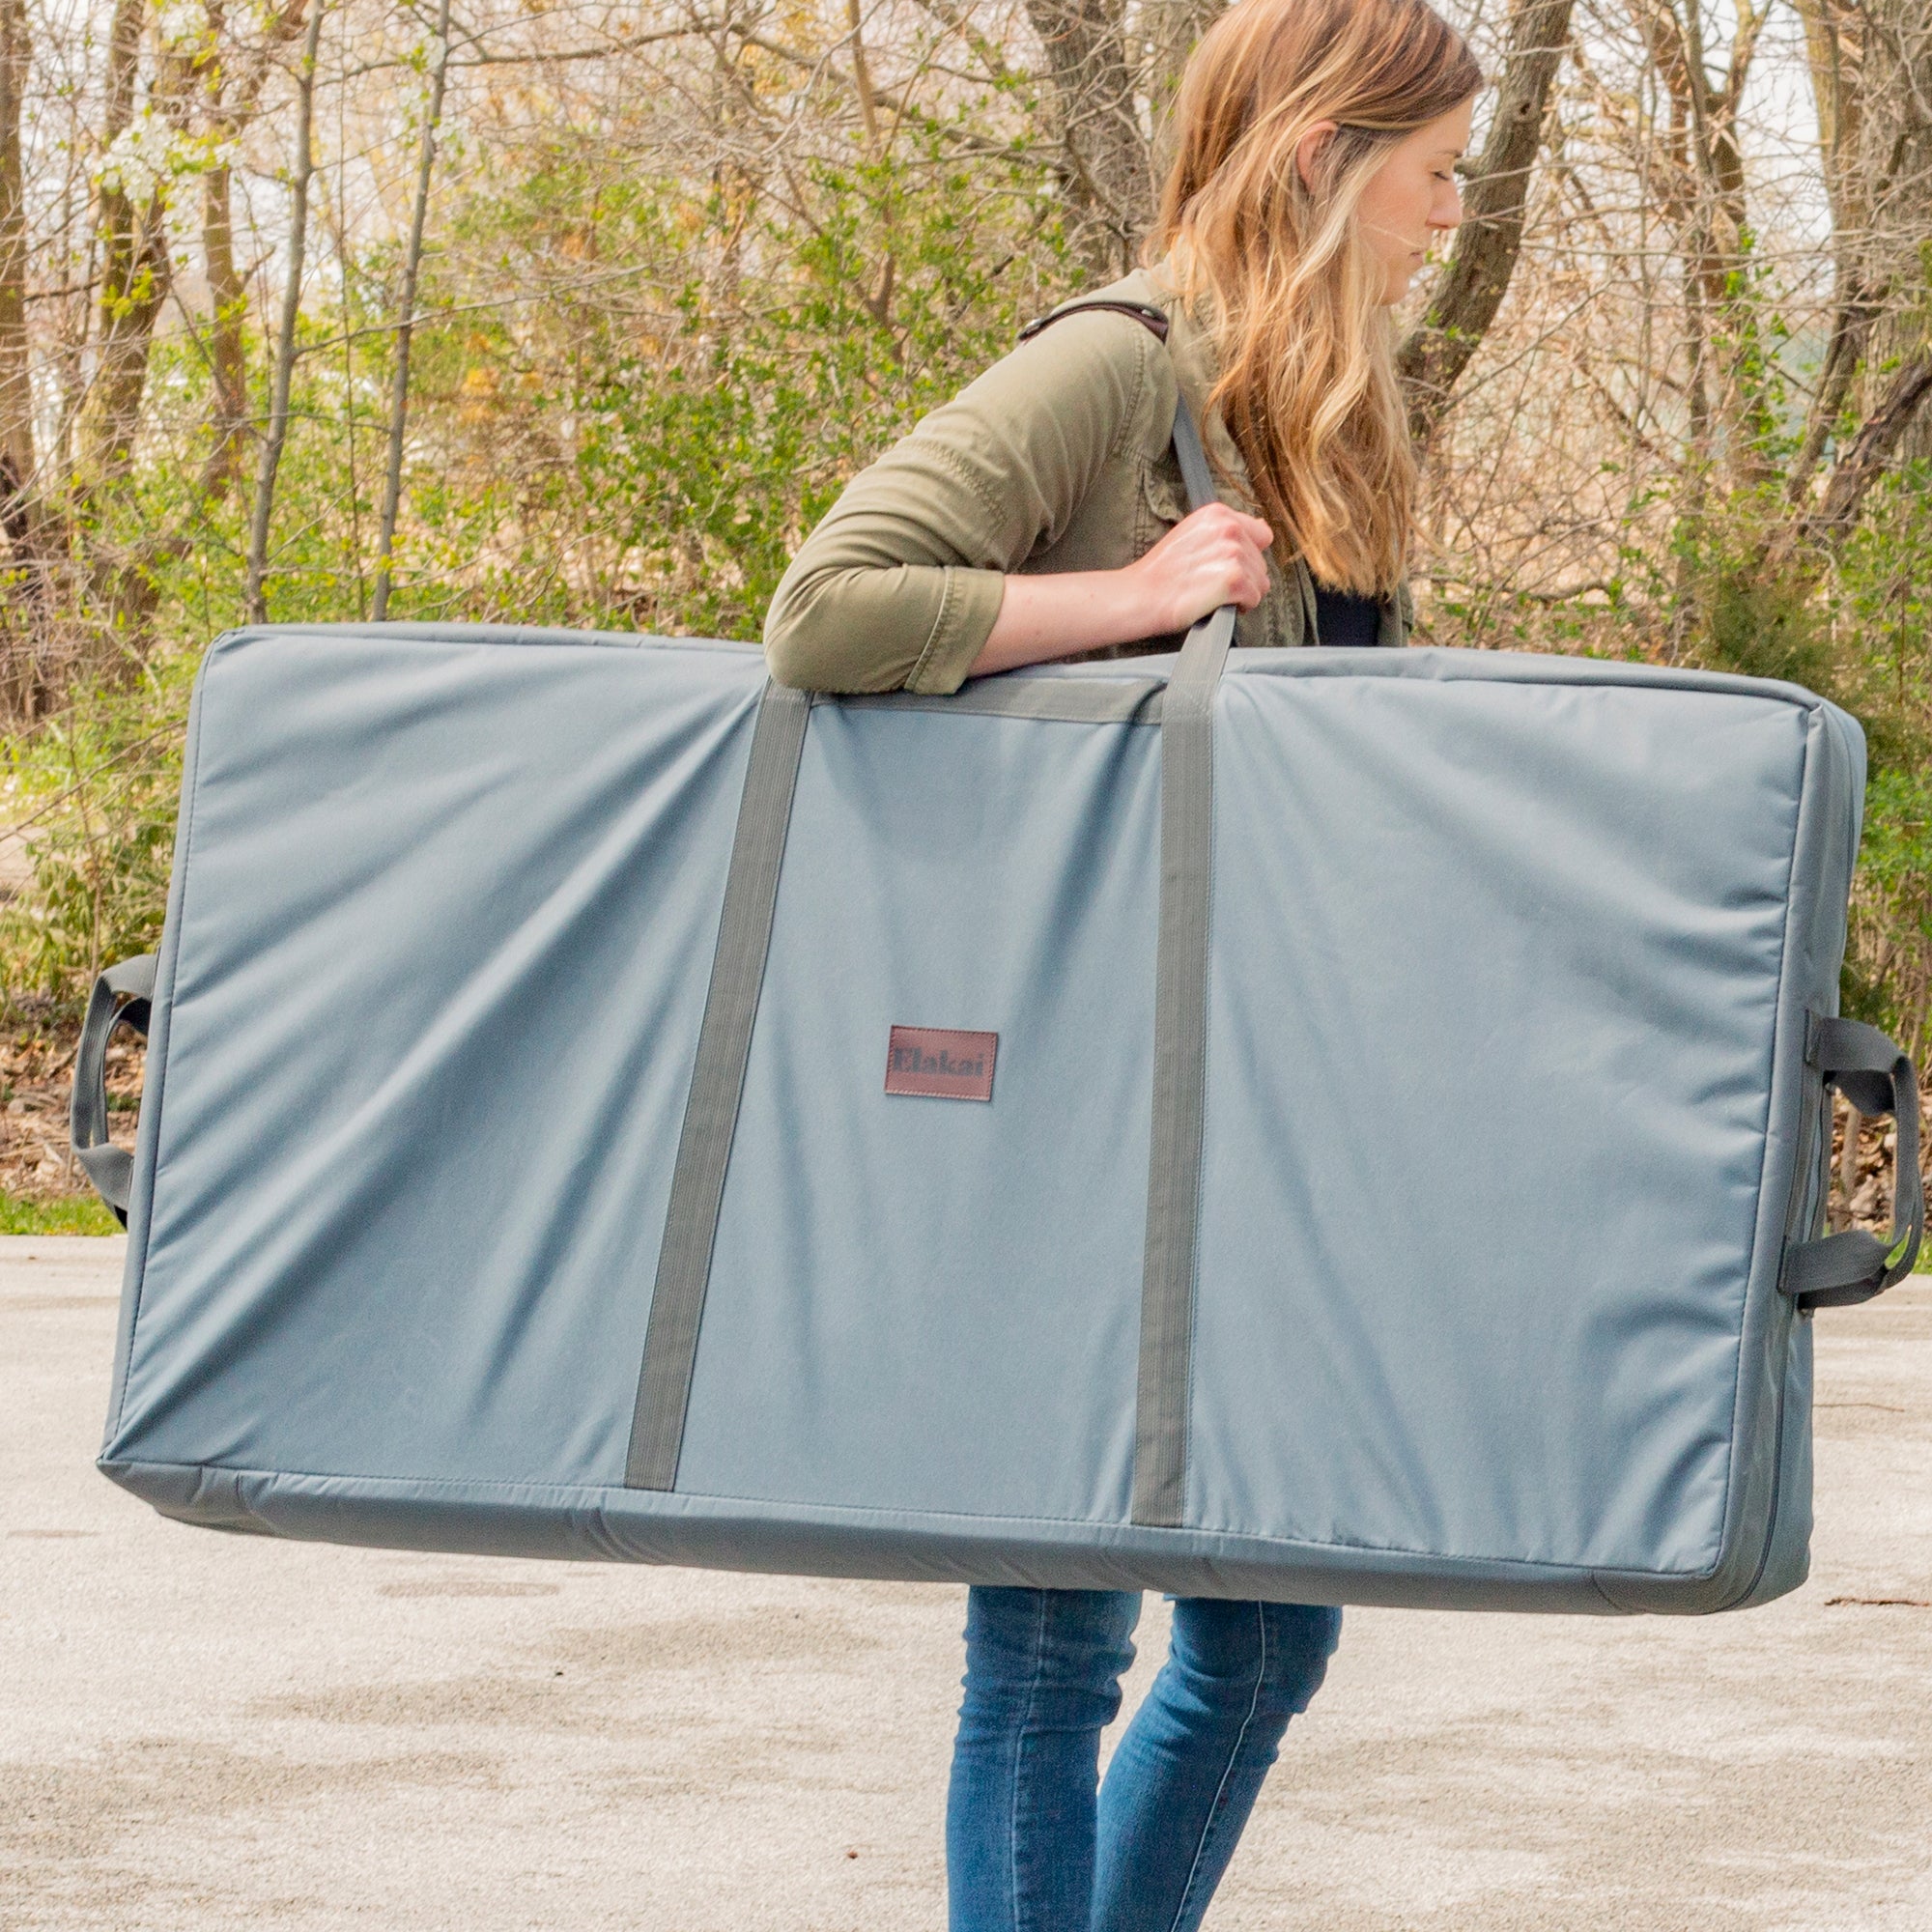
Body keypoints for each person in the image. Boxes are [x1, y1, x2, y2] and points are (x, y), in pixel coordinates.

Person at [762, 0, 1482, 1923]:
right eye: (1434, 176)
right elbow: (825, 608)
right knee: (1054, 1650)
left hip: (1264, 1124)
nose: (1449, 218)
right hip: (1072, 1113)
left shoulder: (1313, 425)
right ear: (1327, 159)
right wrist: (1136, 596)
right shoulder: (1109, 364)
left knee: (1264, 1646)